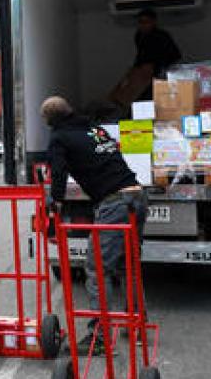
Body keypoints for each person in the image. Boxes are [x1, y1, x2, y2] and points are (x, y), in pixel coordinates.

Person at [42, 96, 147, 356]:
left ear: (51, 121)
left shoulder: (59, 137)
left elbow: (58, 177)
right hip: (137, 196)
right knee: (128, 265)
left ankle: (98, 338)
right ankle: (137, 327)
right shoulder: (95, 129)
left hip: (114, 204)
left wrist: (53, 209)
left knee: (97, 268)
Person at [133, 8, 181, 97]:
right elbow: (141, 54)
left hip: (160, 72)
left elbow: (175, 55)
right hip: (144, 74)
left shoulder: (161, 36)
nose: (143, 25)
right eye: (141, 22)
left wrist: (159, 68)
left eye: (146, 22)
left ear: (154, 22)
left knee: (157, 97)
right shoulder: (139, 36)